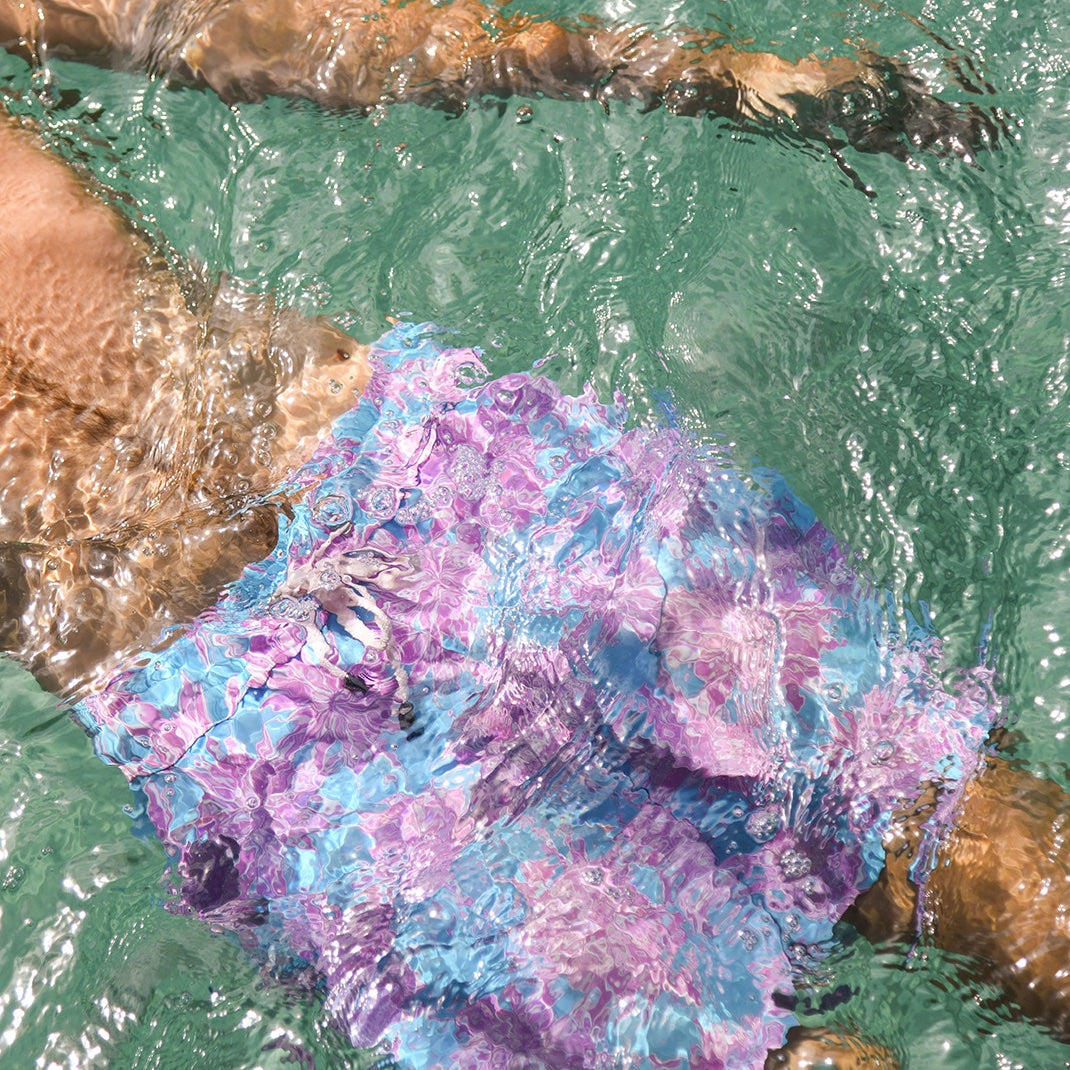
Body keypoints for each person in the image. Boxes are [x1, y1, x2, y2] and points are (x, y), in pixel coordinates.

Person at [0, 3, 1060, 1067]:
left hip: (374, 543)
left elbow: (268, 33)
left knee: (982, 865)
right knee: (929, 868)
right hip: (342, 603)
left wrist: (696, 75)